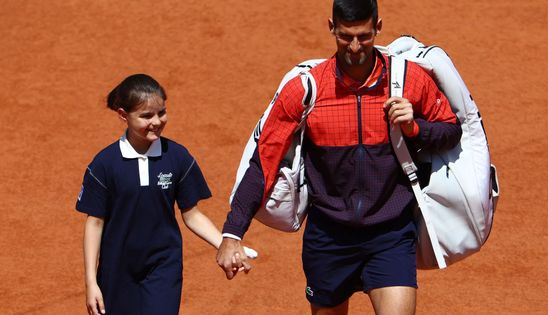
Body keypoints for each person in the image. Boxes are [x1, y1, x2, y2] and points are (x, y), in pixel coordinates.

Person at [217, 0, 462, 314]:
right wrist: (232, 232)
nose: (356, 47)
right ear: (332, 28)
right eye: (346, 37)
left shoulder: (409, 80)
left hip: (390, 233)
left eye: (364, 36)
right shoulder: (306, 89)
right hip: (328, 238)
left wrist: (415, 128)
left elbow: (450, 130)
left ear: (378, 27)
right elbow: (265, 160)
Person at [77, 74, 252, 315]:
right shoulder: (105, 164)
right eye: (146, 116)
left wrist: (225, 244)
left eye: (161, 113)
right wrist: (91, 282)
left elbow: (192, 214)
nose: (156, 121)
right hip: (117, 268)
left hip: (163, 265)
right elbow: (95, 223)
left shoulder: (177, 157)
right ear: (122, 115)